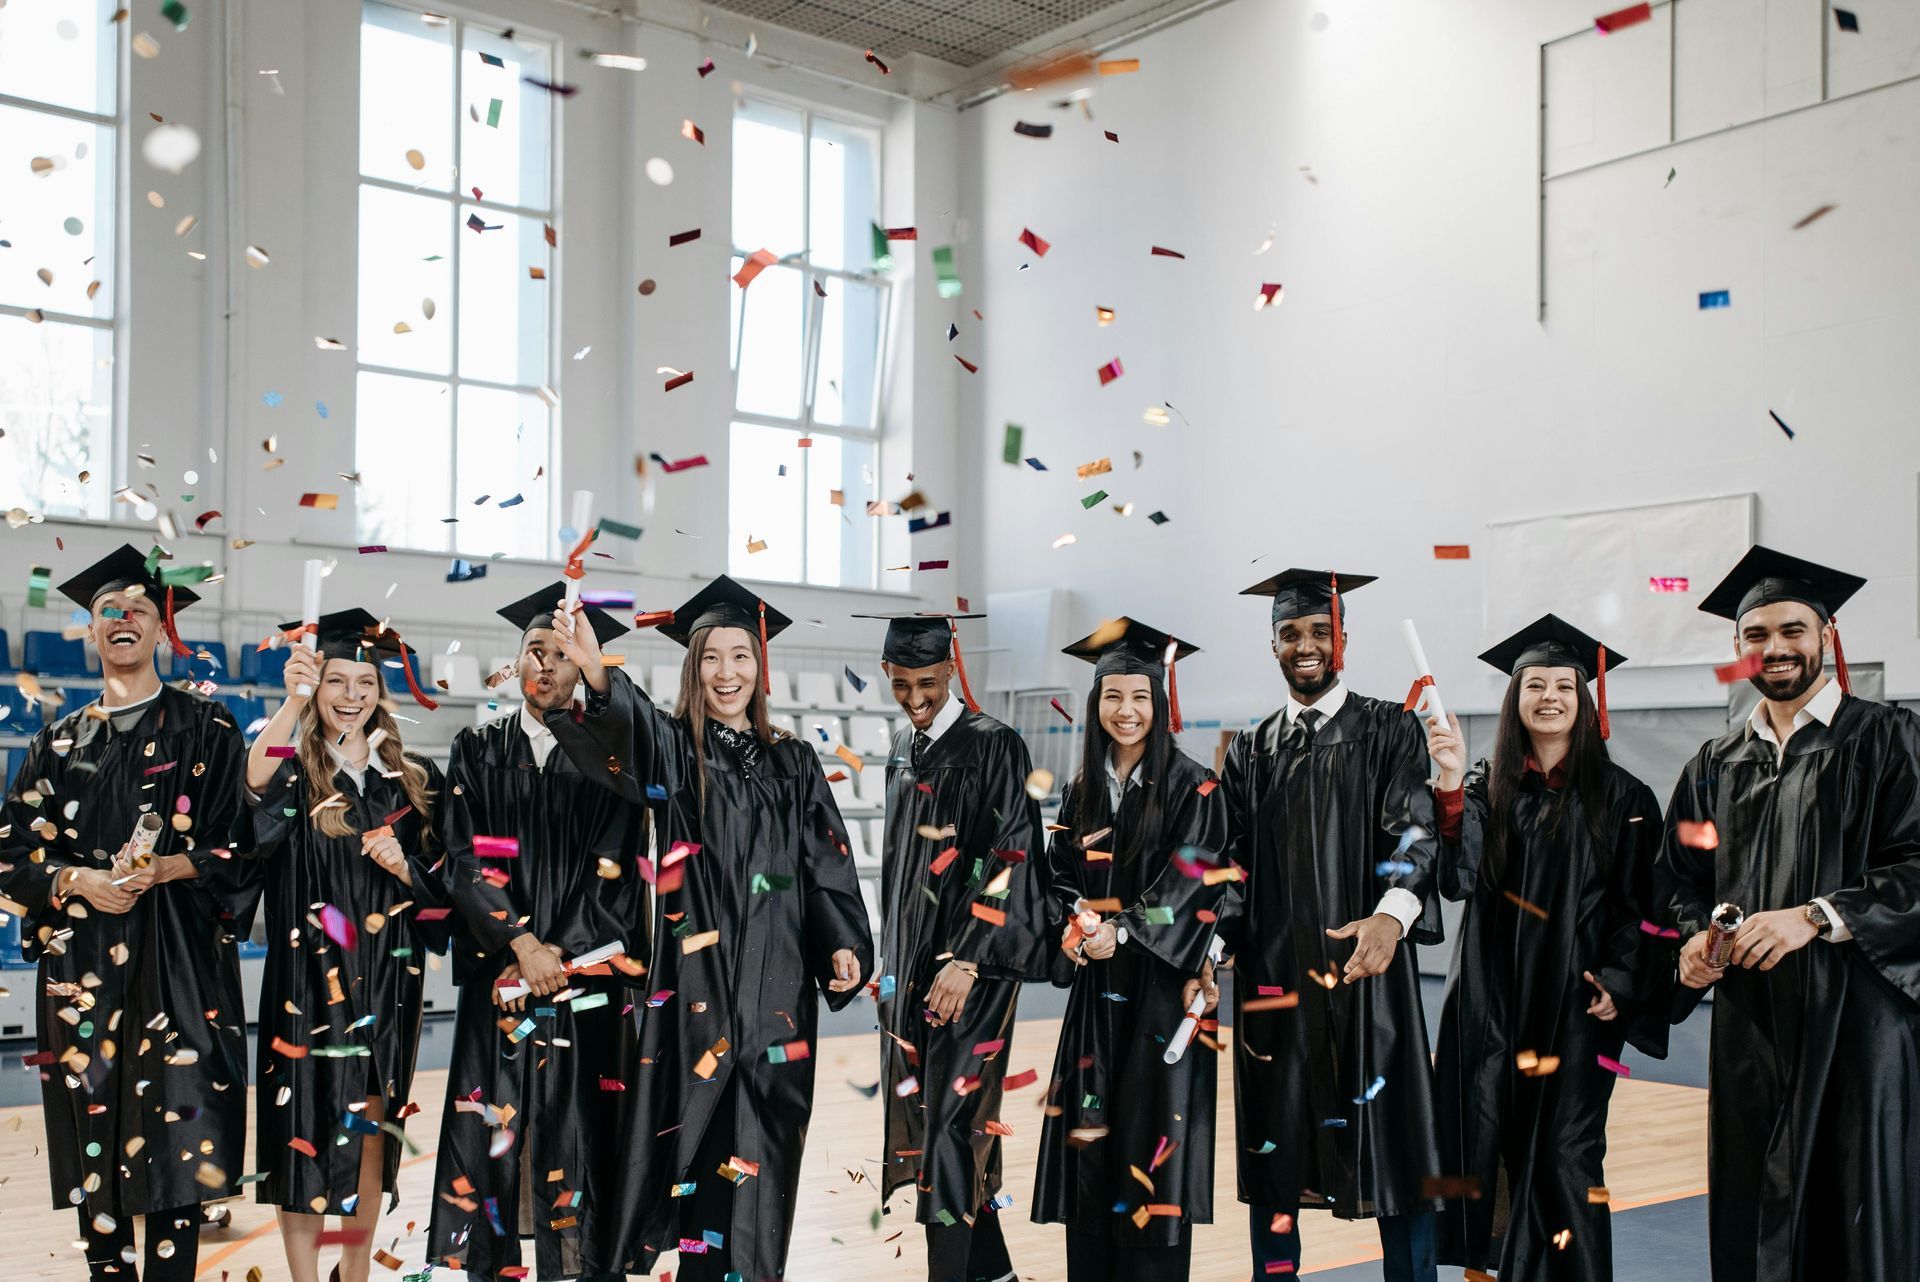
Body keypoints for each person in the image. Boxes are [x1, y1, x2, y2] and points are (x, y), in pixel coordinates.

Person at [546, 575, 873, 1281]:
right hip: (701, 1000)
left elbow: (824, 866)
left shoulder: (795, 762)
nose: (727, 673)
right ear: (693, 670)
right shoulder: (676, 751)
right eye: (711, 659)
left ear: (762, 668)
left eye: (741, 656)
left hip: (780, 1001)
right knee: (699, 1165)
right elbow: (625, 736)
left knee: (764, 1173)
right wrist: (599, 672)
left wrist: (842, 942)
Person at [1661, 546, 1920, 1281]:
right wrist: (1688, 942)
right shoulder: (1714, 764)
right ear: (1737, 650)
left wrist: (1814, 916)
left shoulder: (1886, 740)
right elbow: (1678, 881)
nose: (1774, 648)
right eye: (1756, 635)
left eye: (1793, 631)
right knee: (1752, 1206)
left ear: (1827, 636)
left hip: (1860, 1027)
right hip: (1751, 1027)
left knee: (1853, 1210)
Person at [0, 544, 253, 1280]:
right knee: (94, 1127)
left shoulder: (208, 729)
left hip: (180, 966)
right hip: (83, 969)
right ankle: (104, 1269)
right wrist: (78, 880)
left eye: (140, 608)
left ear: (160, 630)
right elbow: (11, 855)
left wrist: (172, 865)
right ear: (89, 631)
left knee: (176, 1132)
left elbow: (242, 848)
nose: (124, 617)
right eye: (108, 610)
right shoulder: (56, 742)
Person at [1425, 614, 1671, 1282]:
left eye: (1565, 684)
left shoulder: (1624, 799)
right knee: (1485, 1145)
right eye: (1534, 684)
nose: (1550, 696)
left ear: (1584, 700)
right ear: (1516, 699)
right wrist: (1448, 780)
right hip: (1491, 1006)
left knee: (1567, 1155)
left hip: (1574, 1008)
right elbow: (1455, 876)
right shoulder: (1485, 789)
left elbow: (1647, 911)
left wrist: (1619, 981)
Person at [1219, 568, 1443, 1282]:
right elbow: (1230, 868)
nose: (1306, 645)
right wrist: (1211, 943)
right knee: (1276, 1152)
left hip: (1367, 982)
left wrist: (1391, 914)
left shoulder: (1387, 728)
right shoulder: (1251, 751)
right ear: (1274, 643)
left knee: (1392, 1149)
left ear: (1342, 638)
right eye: (1291, 633)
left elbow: (1414, 830)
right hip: (1276, 987)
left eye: (1320, 631)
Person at [427, 585, 641, 1282]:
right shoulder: (477, 748)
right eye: (533, 651)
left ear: (582, 669)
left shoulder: (608, 762)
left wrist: (557, 958)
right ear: (514, 662)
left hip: (579, 987)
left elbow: (614, 870)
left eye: (560, 655)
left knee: (576, 1145)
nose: (544, 665)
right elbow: (462, 859)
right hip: (501, 985)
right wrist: (520, 948)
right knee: (494, 1145)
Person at [243, 609, 449, 1282]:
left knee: (369, 1136)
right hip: (306, 983)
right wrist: (291, 702)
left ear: (380, 693)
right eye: (337, 680)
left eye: (366, 681)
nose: (352, 695)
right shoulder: (295, 773)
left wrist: (405, 869)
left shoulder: (411, 783)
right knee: (299, 1134)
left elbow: (445, 892)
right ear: (317, 684)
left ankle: (354, 1275)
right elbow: (250, 787)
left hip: (389, 984)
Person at [1029, 618, 1231, 1282]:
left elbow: (1196, 877)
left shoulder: (1195, 787)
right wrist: (1073, 921)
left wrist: (1125, 932)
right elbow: (1057, 873)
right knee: (1092, 1148)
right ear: (1095, 705)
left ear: (1159, 703)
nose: (1126, 711)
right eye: (1112, 697)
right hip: (1096, 999)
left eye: (1139, 697)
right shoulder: (1082, 789)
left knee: (1153, 1155)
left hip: (1161, 999)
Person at [854, 611, 1052, 1282]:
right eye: (902, 684)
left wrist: (967, 956)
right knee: (942, 1125)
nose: (916, 698)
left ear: (951, 668)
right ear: (887, 673)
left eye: (929, 683)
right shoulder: (899, 754)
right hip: (911, 973)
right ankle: (996, 1272)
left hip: (977, 973)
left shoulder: (995, 746)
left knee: (951, 1131)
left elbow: (1014, 855)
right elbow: (901, 876)